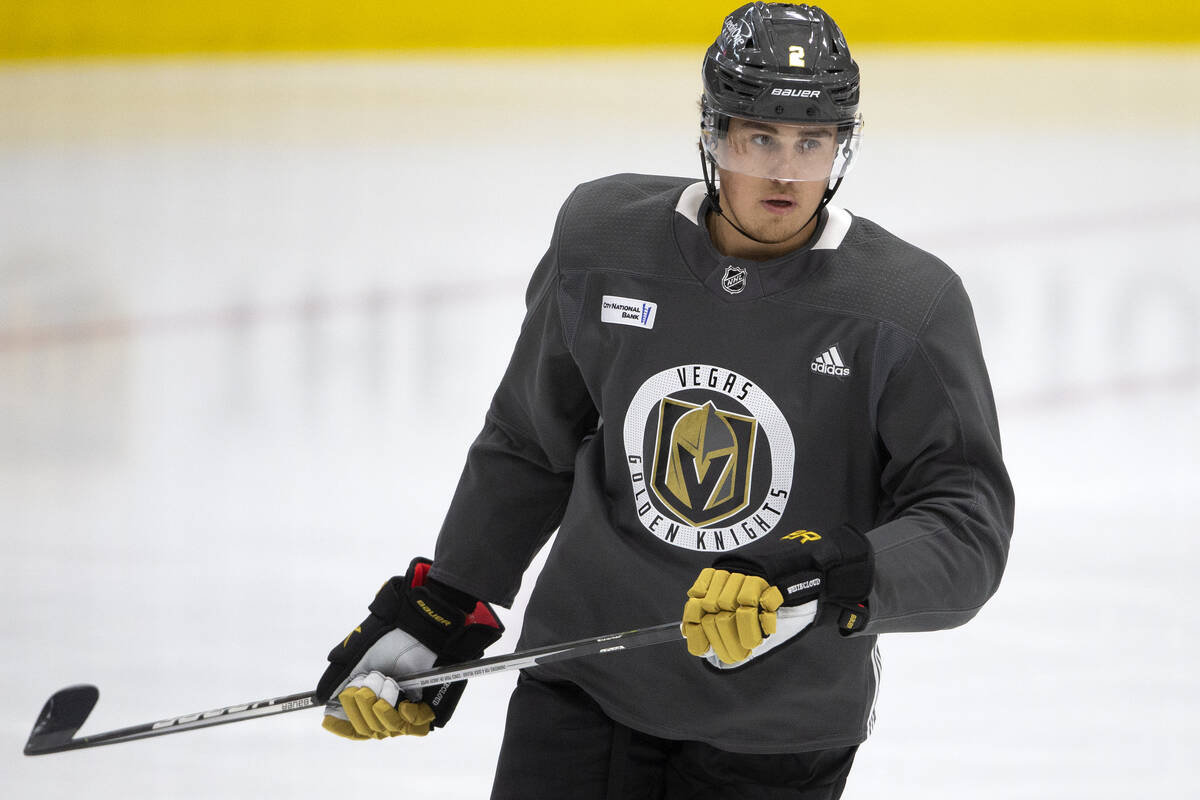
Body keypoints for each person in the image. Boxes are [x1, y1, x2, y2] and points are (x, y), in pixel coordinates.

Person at [314, 3, 1015, 798]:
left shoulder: (906, 306)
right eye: (760, 137)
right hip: (582, 684)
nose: (787, 173)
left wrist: (828, 574)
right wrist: (448, 601)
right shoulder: (602, 243)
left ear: (841, 146)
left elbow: (966, 526)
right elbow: (530, 439)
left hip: (776, 732)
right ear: (713, 135)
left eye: (812, 142)